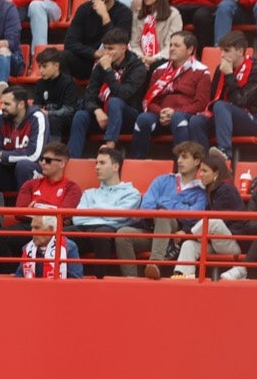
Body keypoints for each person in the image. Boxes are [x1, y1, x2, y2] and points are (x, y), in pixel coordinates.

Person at [115, 140, 208, 277]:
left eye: (184, 157)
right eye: (179, 157)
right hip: (153, 230)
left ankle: (155, 263)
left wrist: (163, 202)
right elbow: (146, 208)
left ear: (197, 161)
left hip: (177, 236)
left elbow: (193, 215)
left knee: (163, 214)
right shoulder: (162, 180)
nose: (179, 161)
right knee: (122, 234)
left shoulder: (201, 191)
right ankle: (131, 279)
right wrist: (180, 207)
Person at [67, 27, 147, 157]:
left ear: (123, 48)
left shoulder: (137, 67)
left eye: (111, 49)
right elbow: (90, 95)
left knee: (115, 102)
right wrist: (97, 111)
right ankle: (72, 158)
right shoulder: (101, 65)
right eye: (105, 48)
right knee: (80, 116)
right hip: (104, 116)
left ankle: (109, 149)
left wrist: (108, 70)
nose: (107, 53)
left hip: (129, 116)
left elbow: (123, 94)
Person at [130, 31, 211, 157]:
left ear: (190, 49)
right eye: (171, 45)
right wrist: (161, 112)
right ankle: (137, 162)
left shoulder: (202, 71)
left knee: (178, 118)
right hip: (161, 116)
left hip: (185, 116)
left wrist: (174, 112)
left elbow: (201, 104)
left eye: (177, 46)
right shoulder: (159, 70)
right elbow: (149, 101)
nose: (172, 48)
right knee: (143, 119)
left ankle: (183, 164)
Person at [68, 146, 142, 275]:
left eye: (102, 163)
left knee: (102, 234)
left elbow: (119, 216)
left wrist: (93, 210)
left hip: (110, 233)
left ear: (115, 167)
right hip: (84, 230)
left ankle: (99, 279)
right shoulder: (89, 193)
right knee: (60, 233)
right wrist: (106, 213)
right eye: (96, 163)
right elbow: (77, 218)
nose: (97, 167)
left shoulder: (131, 193)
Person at [129, 0, 181, 66]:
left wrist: (155, 58)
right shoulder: (138, 14)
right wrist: (142, 58)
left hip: (164, 59)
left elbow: (172, 44)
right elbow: (134, 43)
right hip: (141, 60)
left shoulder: (173, 15)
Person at [15, 211, 83, 279]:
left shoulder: (69, 248)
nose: (32, 231)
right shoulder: (27, 248)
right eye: (32, 227)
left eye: (37, 227)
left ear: (50, 229)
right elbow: (19, 277)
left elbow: (75, 279)